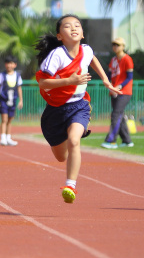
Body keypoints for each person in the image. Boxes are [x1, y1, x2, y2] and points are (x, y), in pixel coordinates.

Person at [35, 14, 120, 204]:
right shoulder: (57, 56)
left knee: (74, 140)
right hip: (55, 110)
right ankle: (66, 134)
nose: (73, 28)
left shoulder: (86, 50)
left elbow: (92, 58)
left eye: (77, 25)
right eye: (67, 26)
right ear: (59, 36)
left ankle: (70, 185)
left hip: (79, 105)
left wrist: (106, 80)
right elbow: (42, 83)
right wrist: (69, 81)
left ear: (82, 34)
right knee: (61, 157)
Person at [101, 37, 135, 149]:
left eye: (118, 45)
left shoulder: (127, 59)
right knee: (119, 115)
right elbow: (109, 75)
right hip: (114, 91)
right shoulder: (113, 60)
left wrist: (119, 86)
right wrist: (110, 85)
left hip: (124, 92)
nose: (115, 47)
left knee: (115, 114)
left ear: (123, 47)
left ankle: (111, 141)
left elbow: (129, 77)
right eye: (114, 45)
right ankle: (127, 140)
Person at [0, 55, 23, 146]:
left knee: (10, 120)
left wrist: (21, 100)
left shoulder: (17, 75)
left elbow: (19, 88)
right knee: (4, 119)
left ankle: (8, 137)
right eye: (7, 63)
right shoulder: (2, 75)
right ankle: (3, 138)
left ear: (15, 65)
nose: (9, 65)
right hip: (3, 100)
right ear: (5, 64)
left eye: (11, 63)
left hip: (13, 100)